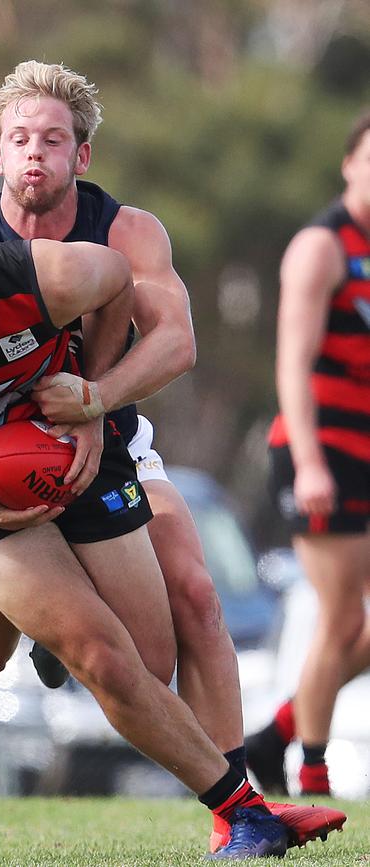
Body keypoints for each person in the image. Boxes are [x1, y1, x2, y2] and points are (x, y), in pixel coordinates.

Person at [0, 62, 345, 854]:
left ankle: (231, 810)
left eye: (52, 139)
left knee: (188, 610)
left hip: (100, 433)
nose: (34, 153)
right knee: (11, 645)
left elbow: (175, 339)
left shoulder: (116, 235)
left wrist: (95, 402)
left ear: (82, 156)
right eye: (18, 139)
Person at [0, 187, 296, 860]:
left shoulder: (43, 273)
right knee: (85, 653)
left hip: (63, 447)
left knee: (149, 660)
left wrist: (93, 402)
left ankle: (37, 636)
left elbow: (116, 285)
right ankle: (245, 813)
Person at [246, 111, 370, 797]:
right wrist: (314, 460)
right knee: (344, 618)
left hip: (368, 447)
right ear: (349, 164)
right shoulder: (321, 247)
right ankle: (312, 772)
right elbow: (291, 364)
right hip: (319, 451)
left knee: (352, 623)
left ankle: (276, 734)